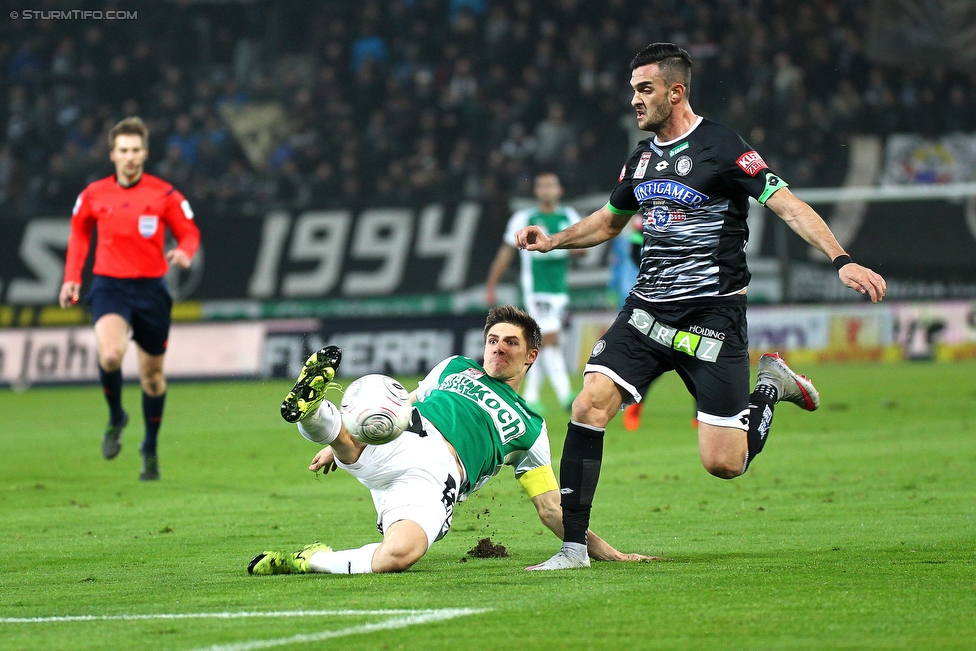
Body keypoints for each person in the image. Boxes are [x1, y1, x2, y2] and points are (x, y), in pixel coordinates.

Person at [514, 43, 887, 570]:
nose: (635, 101)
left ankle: (770, 387)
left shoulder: (722, 147)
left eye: (645, 90)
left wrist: (841, 259)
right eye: (633, 91)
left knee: (724, 463)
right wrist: (552, 241)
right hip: (647, 313)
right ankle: (574, 547)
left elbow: (788, 206)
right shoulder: (641, 158)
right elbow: (607, 221)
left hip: (712, 320)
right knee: (587, 404)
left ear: (676, 90)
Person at [248, 306, 653, 575]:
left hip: (433, 479)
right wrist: (340, 439)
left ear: (530, 356)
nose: (498, 348)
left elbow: (551, 509)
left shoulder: (530, 427)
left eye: (511, 343)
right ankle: (315, 413)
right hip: (407, 436)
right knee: (360, 425)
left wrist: (606, 551)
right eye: (493, 340)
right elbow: (401, 404)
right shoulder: (454, 367)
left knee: (399, 555)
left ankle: (309, 560)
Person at [59, 117, 200, 481]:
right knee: (110, 354)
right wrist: (72, 278)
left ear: (145, 153)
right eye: (123, 150)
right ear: (113, 154)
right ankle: (116, 415)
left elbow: (189, 232)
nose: (130, 157)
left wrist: (184, 252)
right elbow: (78, 236)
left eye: (136, 150)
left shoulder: (164, 194)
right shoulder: (93, 195)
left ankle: (149, 447)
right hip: (110, 286)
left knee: (152, 377)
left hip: (151, 290)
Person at [484, 172, 579, 414]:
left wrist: (565, 245)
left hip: (559, 290)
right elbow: (506, 253)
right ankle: (565, 394)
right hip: (535, 289)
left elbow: (585, 248)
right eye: (542, 186)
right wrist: (491, 285)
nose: (547, 190)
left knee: (539, 342)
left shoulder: (569, 217)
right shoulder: (524, 218)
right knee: (550, 340)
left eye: (551, 185)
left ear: (559, 190)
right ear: (536, 191)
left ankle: (530, 396)